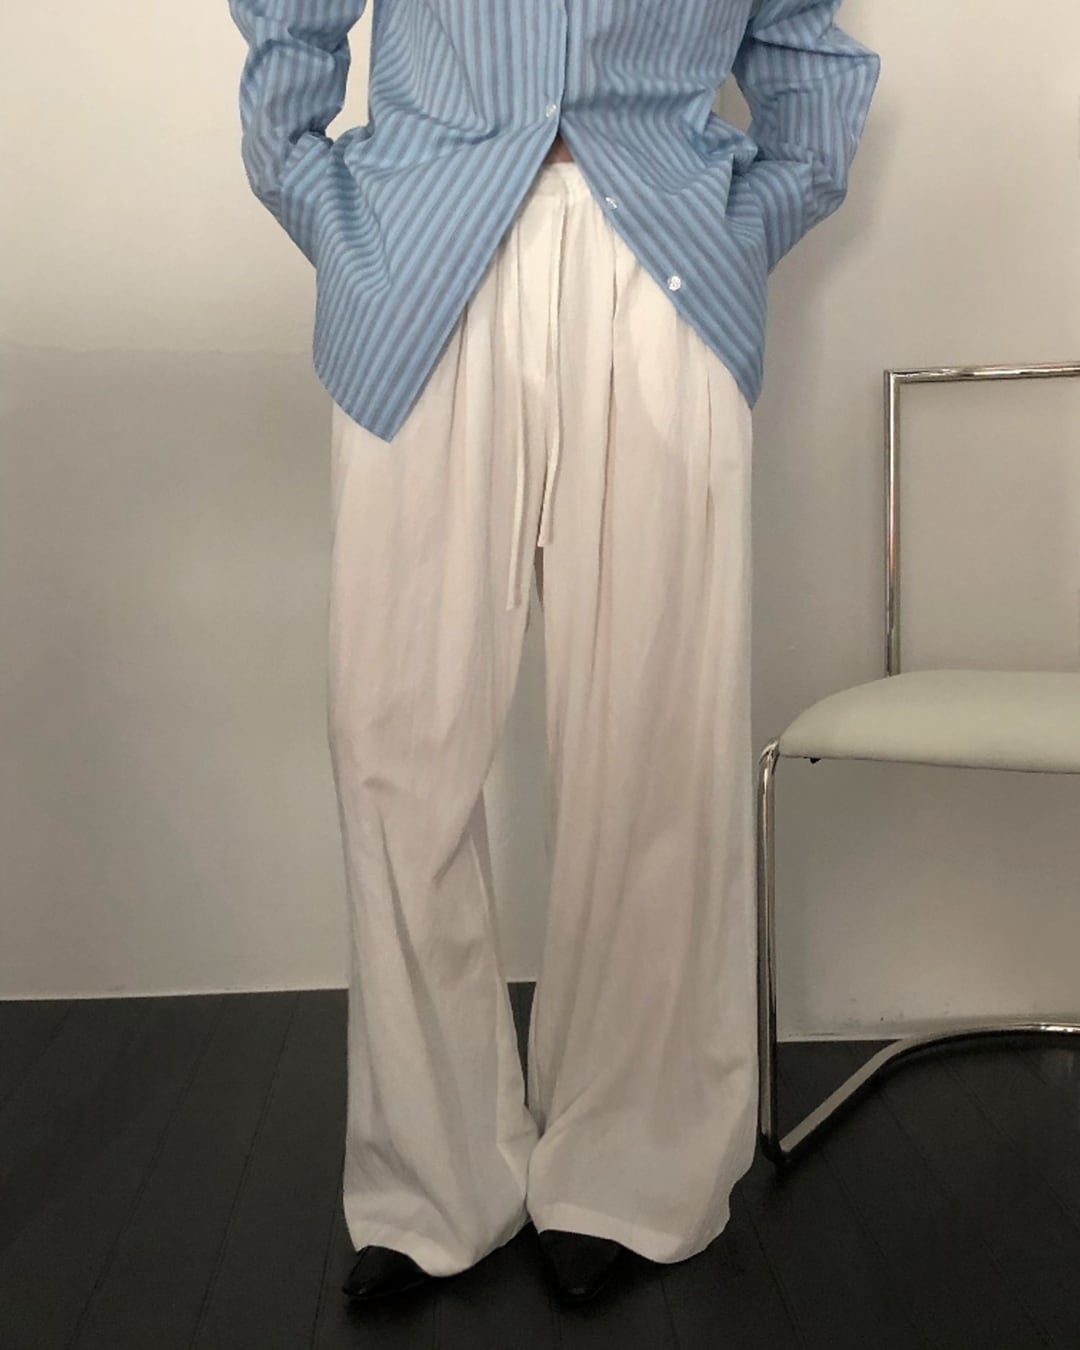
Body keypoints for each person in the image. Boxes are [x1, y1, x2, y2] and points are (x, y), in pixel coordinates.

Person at [227, 0, 881, 1307]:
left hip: (666, 265)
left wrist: (735, 226)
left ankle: (627, 1168)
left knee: (654, 742)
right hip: (420, 255)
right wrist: (329, 206)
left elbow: (805, 47)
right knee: (397, 742)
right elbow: (288, 20)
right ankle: (432, 1178)